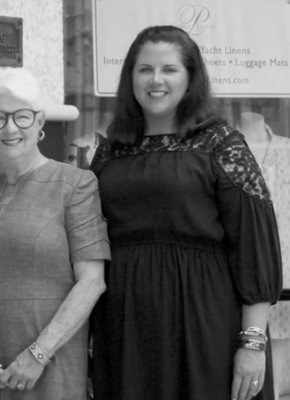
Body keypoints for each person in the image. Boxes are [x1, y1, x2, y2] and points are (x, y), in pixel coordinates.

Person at [89, 25, 283, 400]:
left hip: (204, 322)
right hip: (124, 324)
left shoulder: (222, 144)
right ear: (130, 77)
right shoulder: (109, 151)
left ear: (191, 78)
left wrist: (253, 344)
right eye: (144, 69)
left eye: (169, 69)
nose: (155, 80)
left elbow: (254, 246)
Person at [0, 68, 110, 399]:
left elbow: (92, 282)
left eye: (22, 116)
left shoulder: (75, 185)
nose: (10, 128)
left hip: (48, 369)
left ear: (40, 122)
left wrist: (38, 354)